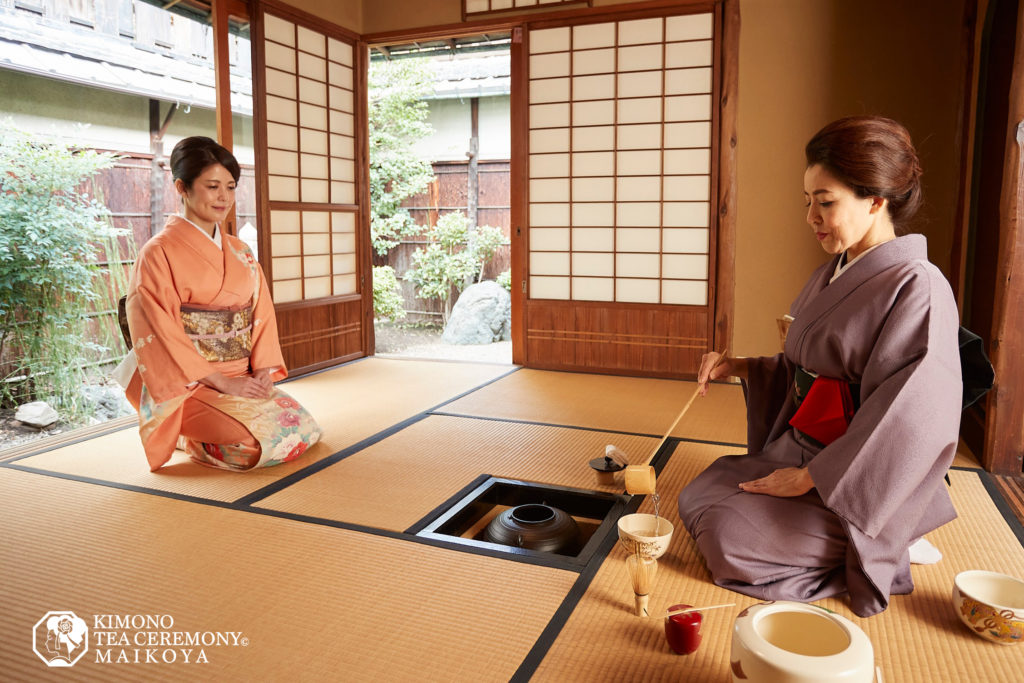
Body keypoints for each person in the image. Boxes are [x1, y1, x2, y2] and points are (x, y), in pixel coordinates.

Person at [678, 116, 962, 617]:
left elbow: (909, 418)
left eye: (825, 202)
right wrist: (741, 366)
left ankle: (887, 540)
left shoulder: (919, 286)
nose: (811, 216)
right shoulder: (835, 270)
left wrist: (812, 478)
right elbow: (807, 370)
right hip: (804, 450)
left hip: (861, 480)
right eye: (807, 201)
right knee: (700, 494)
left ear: (876, 200)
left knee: (730, 538)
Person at [115, 136, 322, 471]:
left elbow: (262, 314)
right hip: (191, 382)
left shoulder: (240, 251)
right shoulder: (158, 253)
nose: (224, 197)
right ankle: (185, 432)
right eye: (212, 186)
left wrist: (264, 371)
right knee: (257, 444)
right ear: (182, 187)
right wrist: (223, 383)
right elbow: (160, 329)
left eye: (230, 186)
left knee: (300, 429)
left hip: (244, 373)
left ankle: (202, 436)